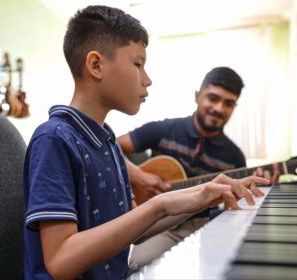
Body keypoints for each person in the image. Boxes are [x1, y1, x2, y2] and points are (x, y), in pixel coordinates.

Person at [22, 5, 270, 280]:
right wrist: (159, 204)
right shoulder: (55, 140)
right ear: (96, 65)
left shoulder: (108, 144)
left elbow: (133, 228)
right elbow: (60, 261)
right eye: (138, 64)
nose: (147, 79)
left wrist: (200, 197)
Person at [117, 67, 280, 267]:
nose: (219, 108)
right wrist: (138, 175)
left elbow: (233, 206)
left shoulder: (235, 157)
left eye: (228, 103)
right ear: (197, 96)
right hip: (159, 224)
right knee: (140, 267)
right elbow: (113, 147)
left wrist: (262, 187)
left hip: (204, 224)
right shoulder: (164, 129)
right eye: (213, 98)